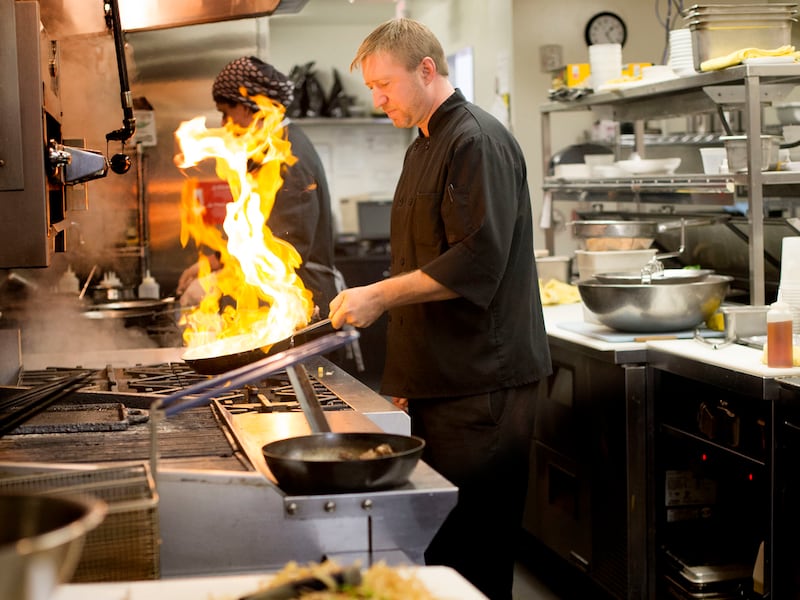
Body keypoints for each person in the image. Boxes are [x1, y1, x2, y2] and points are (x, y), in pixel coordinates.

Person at [328, 18, 552, 600]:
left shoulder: (475, 140)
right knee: (444, 549)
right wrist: (407, 379)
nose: (377, 100)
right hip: (441, 379)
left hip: (482, 384)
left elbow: (478, 262)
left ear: (426, 69)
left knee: (474, 551)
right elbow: (419, 259)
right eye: (370, 88)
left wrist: (376, 297)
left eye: (385, 85)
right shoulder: (424, 142)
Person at [177, 56, 342, 318]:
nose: (223, 123)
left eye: (225, 113)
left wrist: (218, 282)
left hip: (303, 300)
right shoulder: (271, 148)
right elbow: (259, 231)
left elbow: (284, 251)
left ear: (246, 106)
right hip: (282, 299)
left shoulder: (288, 158)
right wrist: (215, 262)